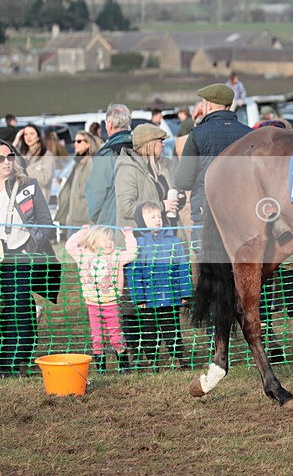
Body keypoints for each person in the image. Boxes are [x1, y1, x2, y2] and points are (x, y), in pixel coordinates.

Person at [0, 140, 55, 377]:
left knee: (18, 309)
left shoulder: (28, 185)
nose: (6, 162)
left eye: (9, 156)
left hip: (19, 257)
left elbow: (46, 223)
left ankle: (11, 363)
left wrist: (29, 247)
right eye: (0, 158)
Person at [173, 84, 252, 243]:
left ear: (208, 105)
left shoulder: (198, 134)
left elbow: (183, 181)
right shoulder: (249, 133)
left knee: (208, 265)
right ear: (229, 106)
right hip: (242, 213)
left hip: (206, 212)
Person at [125, 202, 192, 371]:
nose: (158, 220)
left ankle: (178, 358)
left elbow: (183, 268)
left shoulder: (174, 241)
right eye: (152, 217)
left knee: (172, 329)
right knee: (149, 332)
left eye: (159, 216)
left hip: (170, 297)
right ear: (142, 220)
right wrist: (139, 298)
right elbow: (134, 273)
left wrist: (185, 293)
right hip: (148, 300)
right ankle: (152, 359)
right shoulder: (137, 244)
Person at [65, 225, 137, 374]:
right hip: (93, 305)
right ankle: (101, 369)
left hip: (112, 304)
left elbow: (132, 253)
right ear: (94, 241)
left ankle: (124, 366)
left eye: (111, 239)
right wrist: (82, 232)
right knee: (97, 337)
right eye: (105, 240)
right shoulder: (84, 255)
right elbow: (69, 246)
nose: (110, 242)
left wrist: (129, 236)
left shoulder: (116, 255)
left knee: (116, 336)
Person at [85, 104, 133, 226]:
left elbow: (97, 193)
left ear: (109, 124)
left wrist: (96, 217)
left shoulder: (107, 154)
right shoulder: (140, 149)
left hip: (112, 224)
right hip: (140, 221)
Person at [55, 131, 102, 238]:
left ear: (88, 144)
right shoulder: (77, 163)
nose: (75, 143)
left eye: (79, 141)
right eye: (74, 141)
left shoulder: (92, 163)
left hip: (86, 218)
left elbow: (92, 190)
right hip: (74, 217)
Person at [14, 124, 55, 203]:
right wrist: (16, 141)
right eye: (26, 134)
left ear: (38, 137)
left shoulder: (47, 155)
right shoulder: (23, 155)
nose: (28, 137)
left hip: (38, 201)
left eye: (32, 134)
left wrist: (25, 170)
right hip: (22, 201)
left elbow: (45, 180)